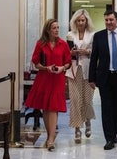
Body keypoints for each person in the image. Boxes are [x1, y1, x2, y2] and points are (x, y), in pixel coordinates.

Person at [88, 10, 117, 150]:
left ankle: (113, 134)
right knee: (106, 107)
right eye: (106, 20)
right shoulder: (99, 36)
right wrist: (92, 78)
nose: (108, 22)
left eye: (111, 20)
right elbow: (94, 58)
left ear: (116, 20)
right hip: (104, 77)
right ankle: (109, 138)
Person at [25, 19, 72, 151]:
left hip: (58, 79)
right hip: (44, 78)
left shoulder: (63, 44)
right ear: (48, 30)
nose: (57, 30)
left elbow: (68, 62)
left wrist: (63, 67)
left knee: (54, 107)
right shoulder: (40, 44)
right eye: (54, 28)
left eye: (58, 27)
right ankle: (49, 137)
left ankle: (51, 139)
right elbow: (36, 62)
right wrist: (46, 68)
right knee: (46, 108)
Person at [65, 9, 96, 144]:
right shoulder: (70, 35)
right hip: (73, 69)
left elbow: (96, 52)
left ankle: (88, 122)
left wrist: (86, 51)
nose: (80, 22)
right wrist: (72, 52)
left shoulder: (93, 35)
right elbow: (66, 53)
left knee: (87, 99)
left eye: (83, 20)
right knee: (75, 100)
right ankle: (77, 129)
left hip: (88, 69)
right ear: (75, 21)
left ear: (87, 21)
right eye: (78, 20)